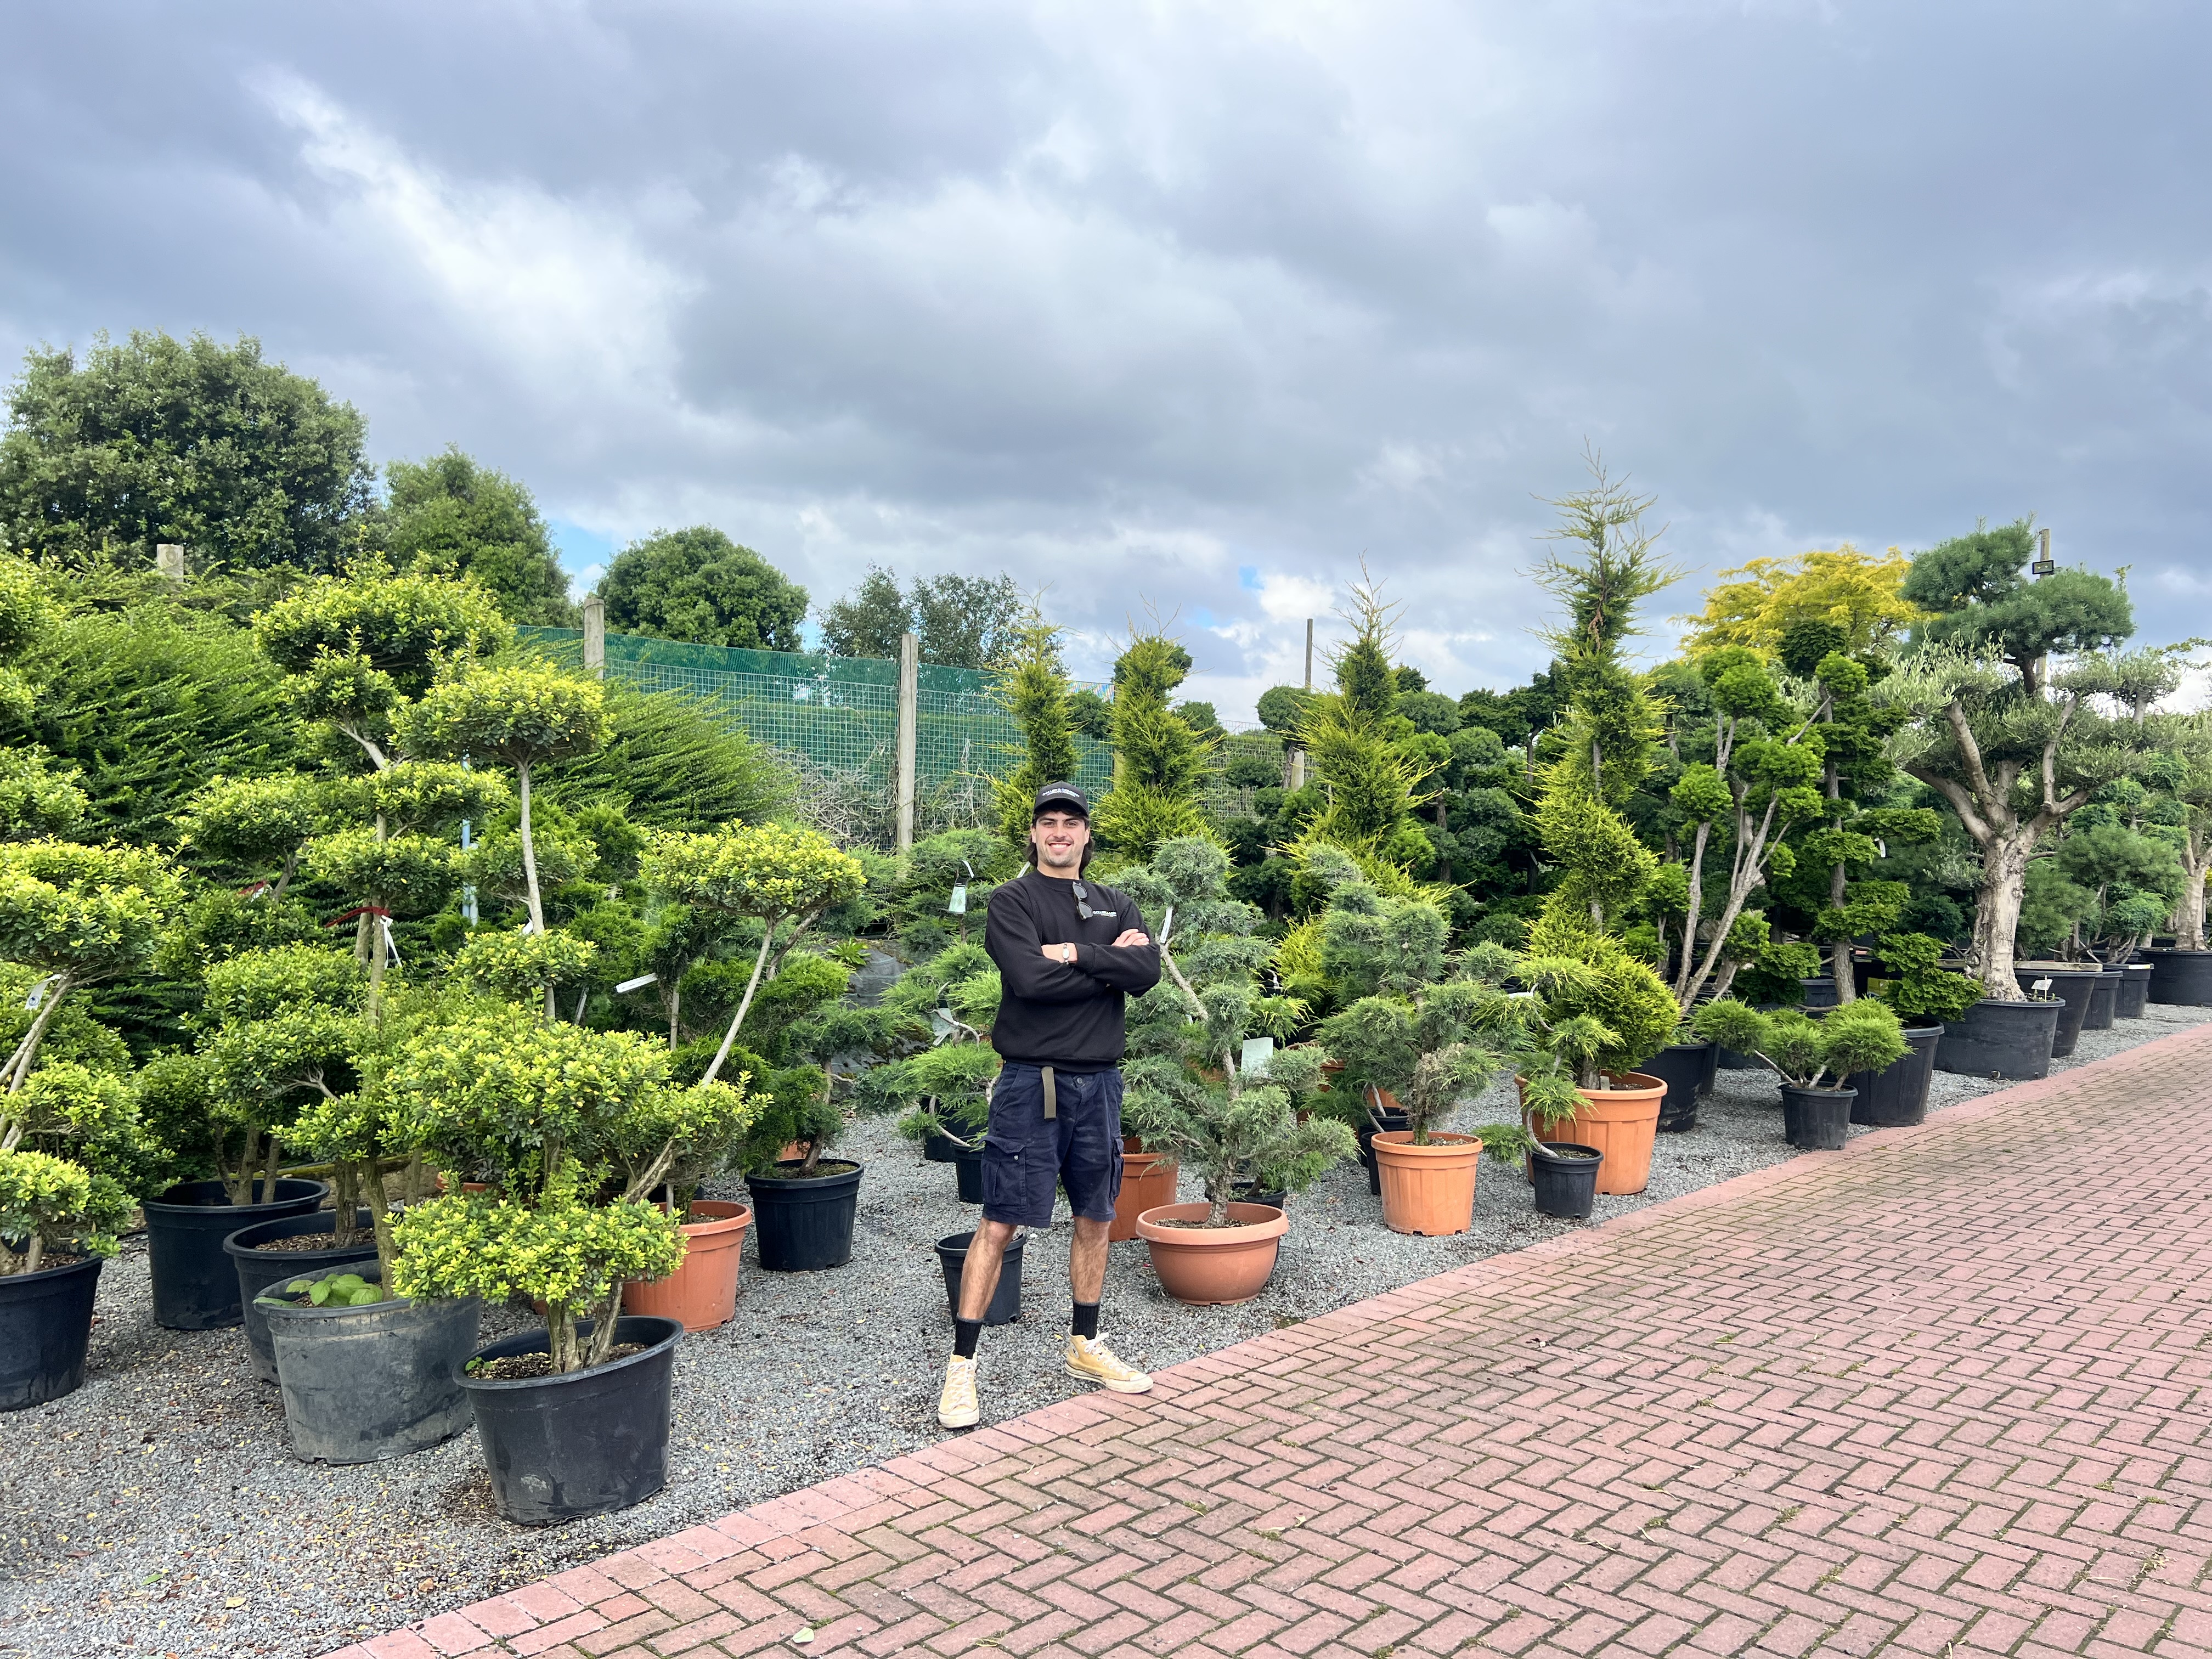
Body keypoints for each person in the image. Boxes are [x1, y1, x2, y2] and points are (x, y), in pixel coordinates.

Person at [936, 782, 1162, 1429]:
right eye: (1048, 823)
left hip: (1100, 1085)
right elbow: (1029, 982)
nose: (1060, 832)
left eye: (1071, 823)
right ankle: (961, 1368)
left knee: (1096, 1215)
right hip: (1030, 1083)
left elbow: (1145, 973)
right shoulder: (1012, 901)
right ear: (1034, 836)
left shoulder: (1116, 901)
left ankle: (1084, 1346)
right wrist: (1105, 962)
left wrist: (1073, 954)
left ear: (1088, 836)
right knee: (1002, 1220)